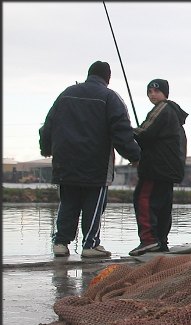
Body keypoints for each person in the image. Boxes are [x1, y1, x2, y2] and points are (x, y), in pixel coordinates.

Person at [39, 60, 141, 258]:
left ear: (89, 74)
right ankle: (90, 245)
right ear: (107, 78)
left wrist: (46, 149)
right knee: (94, 205)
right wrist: (135, 156)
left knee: (68, 203)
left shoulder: (66, 94)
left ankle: (60, 243)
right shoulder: (110, 98)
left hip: (65, 161)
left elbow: (48, 125)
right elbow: (121, 131)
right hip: (96, 164)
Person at [129, 78, 188, 256]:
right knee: (163, 205)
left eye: (156, 91)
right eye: (149, 92)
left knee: (143, 199)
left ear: (165, 93)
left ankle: (149, 240)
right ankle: (161, 241)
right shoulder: (175, 116)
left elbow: (145, 133)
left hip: (156, 168)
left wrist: (124, 129)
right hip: (170, 169)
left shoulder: (162, 108)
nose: (152, 95)